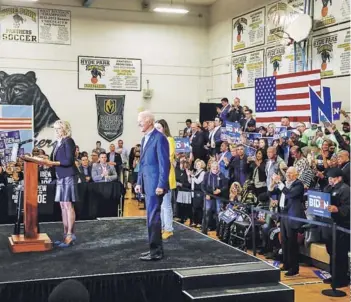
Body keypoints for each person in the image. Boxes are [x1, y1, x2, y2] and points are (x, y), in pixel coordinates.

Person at [135, 111, 170, 261]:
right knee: (150, 217)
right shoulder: (145, 139)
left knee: (153, 218)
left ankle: (156, 252)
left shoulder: (160, 138)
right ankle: (153, 249)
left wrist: (161, 184)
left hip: (156, 185)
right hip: (147, 183)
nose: (139, 124)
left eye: (140, 121)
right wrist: (138, 182)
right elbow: (142, 163)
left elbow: (164, 164)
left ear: (149, 121)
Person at [45, 120, 78, 248]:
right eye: (55, 129)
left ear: (65, 129)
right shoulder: (58, 142)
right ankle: (65, 235)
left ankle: (70, 235)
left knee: (68, 205)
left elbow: (68, 160)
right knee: (63, 205)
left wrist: (53, 163)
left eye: (59, 129)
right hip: (60, 176)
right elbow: (54, 159)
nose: (56, 131)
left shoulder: (68, 141)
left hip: (68, 175)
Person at [270, 167, 305, 277]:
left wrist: (279, 182)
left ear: (296, 175)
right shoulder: (285, 183)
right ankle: (286, 264)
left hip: (292, 216)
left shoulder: (299, 185)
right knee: (284, 241)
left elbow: (289, 194)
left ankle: (294, 269)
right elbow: (270, 193)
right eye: (287, 173)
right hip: (283, 215)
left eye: (291, 173)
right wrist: (272, 184)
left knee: (292, 243)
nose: (288, 175)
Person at [322, 168, 350, 288]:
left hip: (341, 226)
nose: (330, 180)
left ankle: (342, 278)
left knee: (340, 253)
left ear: (339, 178)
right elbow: (324, 194)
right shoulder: (331, 188)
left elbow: (348, 207)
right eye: (329, 178)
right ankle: (333, 274)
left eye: (332, 178)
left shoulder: (346, 189)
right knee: (331, 251)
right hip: (330, 225)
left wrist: (338, 209)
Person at [155, 119, 176, 240]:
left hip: (167, 176)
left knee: (166, 205)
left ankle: (169, 229)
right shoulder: (159, 140)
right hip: (160, 176)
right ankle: (163, 227)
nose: (157, 130)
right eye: (156, 128)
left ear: (164, 128)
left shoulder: (169, 139)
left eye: (159, 128)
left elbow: (168, 156)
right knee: (162, 205)